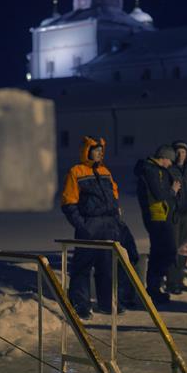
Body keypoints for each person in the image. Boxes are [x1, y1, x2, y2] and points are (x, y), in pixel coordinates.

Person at [61, 136, 140, 319]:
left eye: (101, 150)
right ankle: (80, 304)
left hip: (109, 225)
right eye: (95, 150)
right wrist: (82, 225)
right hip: (90, 226)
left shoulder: (105, 171)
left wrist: (116, 218)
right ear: (87, 151)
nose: (99, 153)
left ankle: (107, 303)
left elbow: (114, 195)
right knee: (83, 267)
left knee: (107, 266)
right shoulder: (76, 171)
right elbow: (68, 203)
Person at [134, 145, 182, 305]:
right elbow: (159, 194)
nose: (170, 164)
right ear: (164, 157)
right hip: (157, 216)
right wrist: (173, 190)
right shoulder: (152, 170)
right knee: (164, 251)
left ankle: (155, 288)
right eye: (170, 160)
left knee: (162, 251)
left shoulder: (155, 170)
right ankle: (153, 289)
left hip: (160, 215)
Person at [169, 140, 187, 292]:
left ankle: (179, 279)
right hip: (174, 214)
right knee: (174, 247)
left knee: (183, 248)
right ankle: (172, 282)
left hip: (186, 213)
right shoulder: (170, 169)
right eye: (178, 152)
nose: (181, 155)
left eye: (184, 152)